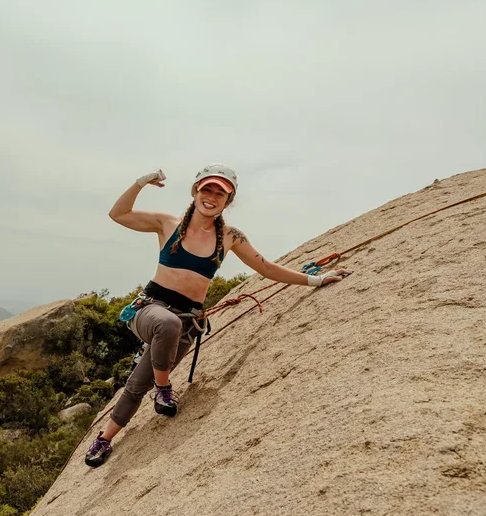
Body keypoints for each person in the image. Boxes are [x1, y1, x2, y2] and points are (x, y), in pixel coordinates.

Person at [84, 164, 351, 467]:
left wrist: (315, 280)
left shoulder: (231, 237)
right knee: (165, 325)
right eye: (206, 189)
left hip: (188, 322)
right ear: (195, 191)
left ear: (228, 200)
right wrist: (140, 183)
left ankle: (104, 439)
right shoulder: (167, 223)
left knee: (138, 383)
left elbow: (266, 268)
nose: (211, 196)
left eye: (219, 193)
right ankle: (164, 390)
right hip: (150, 310)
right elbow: (118, 214)